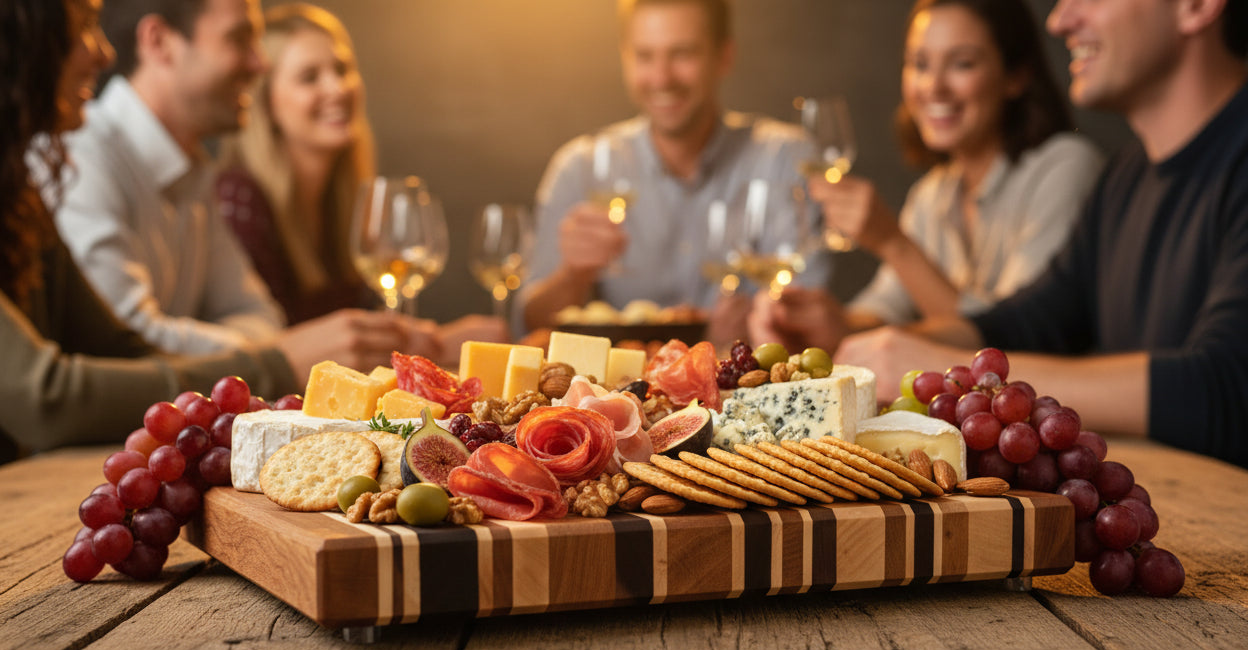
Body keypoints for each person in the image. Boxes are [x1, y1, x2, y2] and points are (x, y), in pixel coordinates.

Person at [753, 0, 1248, 470]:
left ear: (1197, 5)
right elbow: (1030, 320)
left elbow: (1225, 388)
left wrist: (943, 365)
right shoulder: (1126, 177)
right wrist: (872, 343)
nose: (1059, 21)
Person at [0, 0, 395, 466]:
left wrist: (265, 362)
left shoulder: (25, 194)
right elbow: (47, 399)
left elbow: (125, 347)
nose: (105, 54)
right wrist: (274, 362)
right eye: (83, 28)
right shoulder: (84, 159)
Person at [48, 0, 440, 364]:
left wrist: (268, 350)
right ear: (160, 42)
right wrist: (278, 356)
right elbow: (123, 343)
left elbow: (262, 319)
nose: (261, 63)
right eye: (239, 39)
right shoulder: (81, 156)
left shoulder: (196, 171)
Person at [516, 0, 832, 346]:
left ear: (724, 56)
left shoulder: (784, 158)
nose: (661, 78)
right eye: (644, 56)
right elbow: (530, 324)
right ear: (625, 58)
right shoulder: (579, 166)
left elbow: (811, 317)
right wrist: (573, 276)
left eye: (682, 54)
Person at [216, 3, 505, 359]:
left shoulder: (343, 201)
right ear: (266, 103)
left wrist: (424, 339)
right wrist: (436, 345)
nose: (337, 88)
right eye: (309, 77)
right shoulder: (239, 201)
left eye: (342, 69)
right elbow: (274, 354)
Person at [810, 0, 1103, 332]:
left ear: (1016, 76)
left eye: (962, 64)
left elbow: (1015, 340)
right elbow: (886, 306)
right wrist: (826, 325)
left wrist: (893, 243)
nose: (933, 87)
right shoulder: (931, 194)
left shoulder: (1065, 167)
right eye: (920, 65)